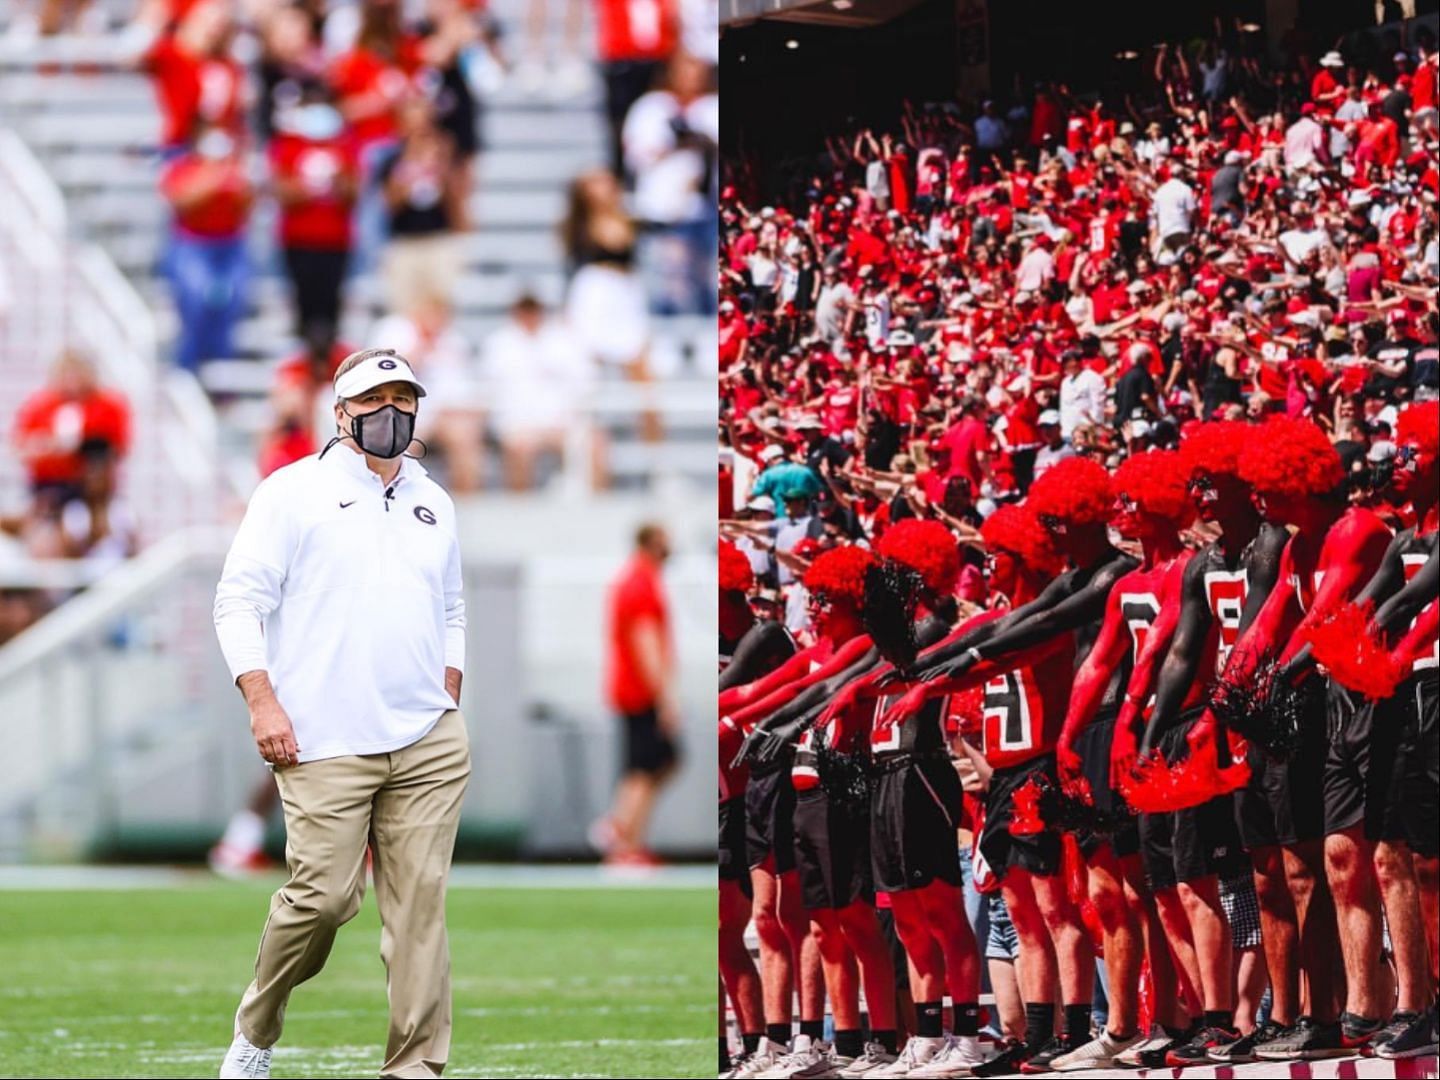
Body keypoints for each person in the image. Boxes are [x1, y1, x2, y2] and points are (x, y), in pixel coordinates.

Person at [213, 347, 469, 1080]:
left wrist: (448, 685)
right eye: (373, 400)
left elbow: (451, 606)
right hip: (324, 739)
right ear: (342, 412)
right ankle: (257, 1029)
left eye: (402, 398)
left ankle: (415, 1067)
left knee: (419, 913)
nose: (390, 413)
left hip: (427, 735)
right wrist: (262, 698)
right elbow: (239, 601)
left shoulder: (433, 499)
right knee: (322, 899)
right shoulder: (291, 492)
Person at [595, 523, 680, 866]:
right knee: (646, 765)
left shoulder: (635, 580)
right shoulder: (641, 584)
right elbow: (646, 644)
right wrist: (664, 697)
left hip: (631, 688)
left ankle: (624, 831)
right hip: (640, 691)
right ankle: (622, 834)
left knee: (652, 763)